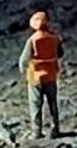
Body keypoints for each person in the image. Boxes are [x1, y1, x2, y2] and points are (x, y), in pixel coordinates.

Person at [18, 10, 64, 139]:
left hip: (35, 77)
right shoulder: (54, 38)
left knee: (35, 105)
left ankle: (36, 132)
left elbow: (24, 59)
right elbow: (60, 54)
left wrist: (23, 70)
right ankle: (55, 130)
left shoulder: (32, 40)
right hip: (51, 75)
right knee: (52, 104)